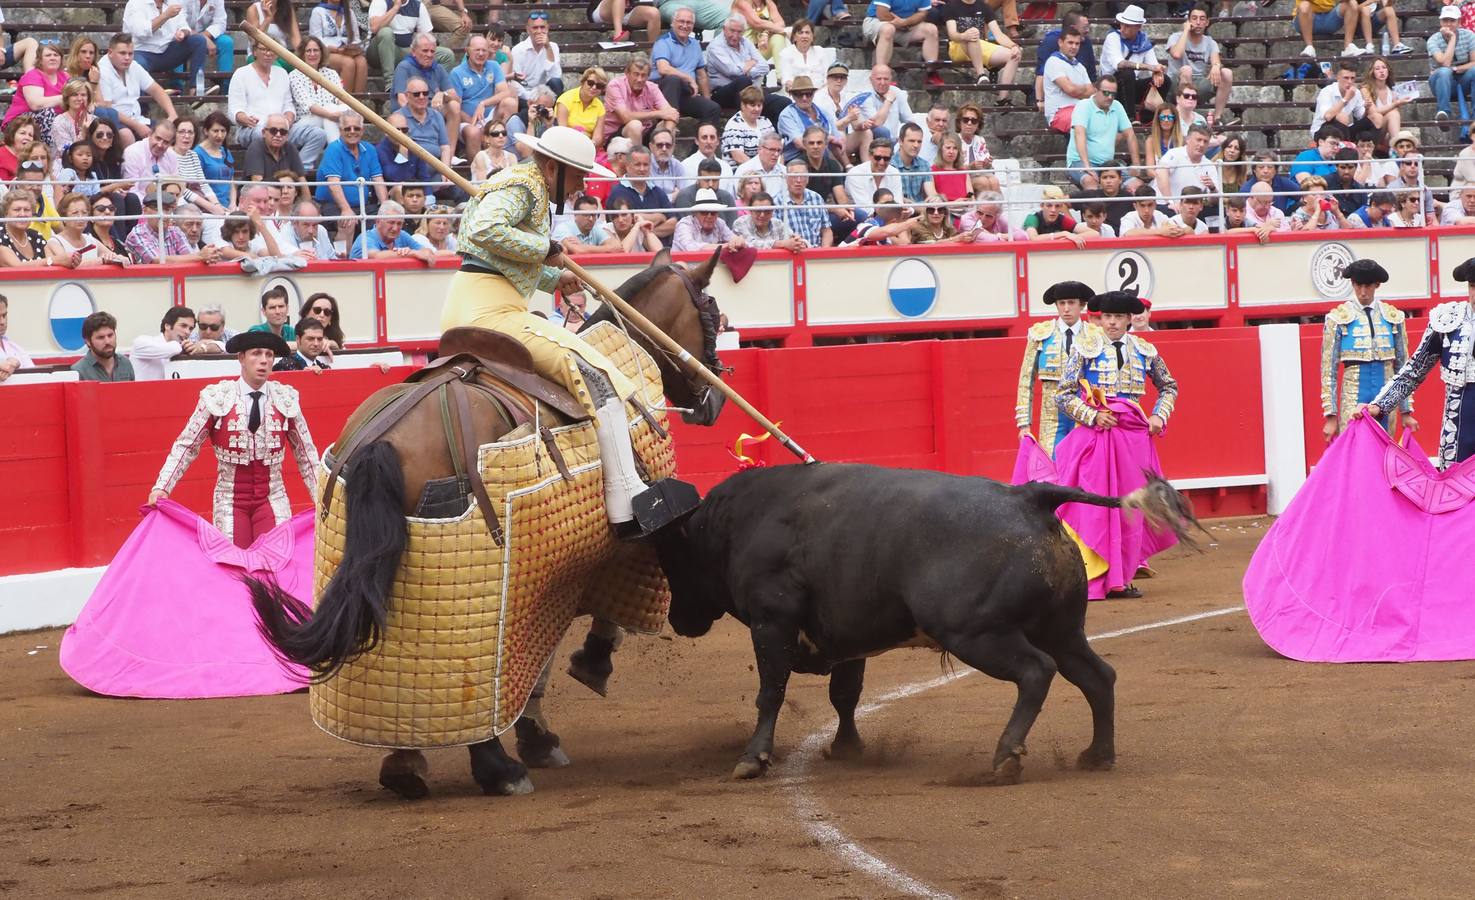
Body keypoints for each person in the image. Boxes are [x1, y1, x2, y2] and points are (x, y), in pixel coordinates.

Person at [442, 124, 694, 538]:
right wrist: (547, 250)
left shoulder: (526, 186)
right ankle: (627, 503)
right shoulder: (525, 185)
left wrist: (551, 279)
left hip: (482, 299)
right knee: (596, 373)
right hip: (491, 311)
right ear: (552, 167)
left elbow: (494, 258)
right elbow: (483, 231)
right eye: (577, 175)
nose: (581, 185)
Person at [1055, 289, 1178, 598]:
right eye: (1106, 317)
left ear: (1128, 320)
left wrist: (1159, 416)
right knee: (1097, 504)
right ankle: (1094, 576)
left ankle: (1122, 577)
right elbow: (1063, 393)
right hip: (1098, 436)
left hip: (1134, 439)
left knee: (1131, 506)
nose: (1110, 323)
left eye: (1117, 318)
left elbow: (1169, 387)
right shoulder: (1085, 349)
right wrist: (1092, 416)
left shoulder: (1145, 350)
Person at [147, 329, 318, 548]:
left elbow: (306, 454)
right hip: (230, 500)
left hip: (272, 497)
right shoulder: (218, 397)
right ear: (241, 358)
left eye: (269, 354)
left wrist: (322, 500)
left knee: (276, 560)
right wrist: (162, 487)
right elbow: (186, 446)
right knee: (235, 565)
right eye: (256, 353)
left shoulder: (285, 398)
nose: (264, 361)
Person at [1367, 258, 1475, 467]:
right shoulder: (1449, 319)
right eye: (1472, 286)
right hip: (1460, 424)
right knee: (1455, 489)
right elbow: (1414, 370)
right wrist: (1380, 405)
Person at [1320, 258, 1412, 443]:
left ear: (1377, 285)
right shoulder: (1337, 318)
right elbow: (1328, 370)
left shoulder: (1393, 317)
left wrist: (1406, 410)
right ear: (1352, 284)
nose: (1362, 292)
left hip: (1386, 392)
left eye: (1368, 286)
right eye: (1358, 285)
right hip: (1353, 393)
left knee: (1384, 448)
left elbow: (1404, 367)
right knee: (1354, 448)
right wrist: (1330, 416)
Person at [1016, 279, 1102, 456]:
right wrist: (1024, 423)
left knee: (1083, 465)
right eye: (1061, 303)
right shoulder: (1041, 334)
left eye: (1071, 303)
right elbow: (1026, 381)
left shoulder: (1096, 335)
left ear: (1082, 305)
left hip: (1085, 412)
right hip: (1052, 417)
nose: (1066, 309)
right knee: (1053, 468)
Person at [229, 42, 329, 170]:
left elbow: (288, 105)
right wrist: (245, 118)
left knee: (318, 134)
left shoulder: (282, 73)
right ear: (254, 52)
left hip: (281, 128)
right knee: (263, 134)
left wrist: (288, 119)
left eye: (272, 50)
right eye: (263, 49)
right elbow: (234, 109)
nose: (268, 53)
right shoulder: (241, 74)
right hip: (252, 128)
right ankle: (271, 169)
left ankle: (299, 169)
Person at [98, 33, 178, 145]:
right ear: (110, 52)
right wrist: (137, 126)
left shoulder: (134, 66)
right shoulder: (102, 70)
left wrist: (172, 114)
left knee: (174, 131)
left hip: (138, 119)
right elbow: (108, 109)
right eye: (122, 53)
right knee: (128, 136)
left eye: (130, 54)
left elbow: (156, 90)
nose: (127, 58)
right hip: (116, 122)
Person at [1067, 74, 1141, 190]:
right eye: (1106, 93)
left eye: (1113, 94)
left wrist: (1136, 164)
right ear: (1096, 91)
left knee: (1137, 186)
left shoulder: (1117, 106)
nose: (1110, 97)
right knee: (1090, 182)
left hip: (1107, 164)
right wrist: (1087, 166)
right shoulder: (1083, 105)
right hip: (1079, 162)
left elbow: (1130, 135)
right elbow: (1079, 134)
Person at [123, 0, 209, 94]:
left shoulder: (173, 3)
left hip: (167, 52)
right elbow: (140, 32)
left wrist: (182, 33)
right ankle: (142, 105)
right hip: (142, 53)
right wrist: (165, 15)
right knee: (137, 64)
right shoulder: (135, 3)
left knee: (199, 41)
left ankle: (196, 90)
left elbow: (184, 26)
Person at [1166, 6, 1233, 126]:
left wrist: (1216, 66)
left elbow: (1216, 61)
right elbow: (1176, 54)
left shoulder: (1210, 42)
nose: (1198, 22)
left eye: (1202, 19)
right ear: (1188, 21)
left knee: (1227, 73)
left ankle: (1217, 118)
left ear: (1207, 22)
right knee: (1187, 70)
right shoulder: (1176, 37)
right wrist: (1186, 31)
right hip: (1175, 84)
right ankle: (1182, 116)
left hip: (1198, 84)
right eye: (1194, 18)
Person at [653, 8, 721, 123]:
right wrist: (688, 78)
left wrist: (707, 99)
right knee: (673, 79)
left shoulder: (695, 44)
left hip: (685, 94)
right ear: (673, 23)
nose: (685, 25)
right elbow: (663, 69)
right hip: (663, 93)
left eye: (689, 22)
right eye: (681, 21)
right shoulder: (663, 41)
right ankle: (668, 129)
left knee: (712, 108)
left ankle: (703, 139)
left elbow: (701, 76)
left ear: (693, 25)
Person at [600, 54, 678, 148]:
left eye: (643, 75)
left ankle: (663, 159)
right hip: (616, 139)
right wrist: (659, 113)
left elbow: (672, 114)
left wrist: (666, 135)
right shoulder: (615, 86)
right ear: (627, 73)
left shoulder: (651, 87)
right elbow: (626, 117)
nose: (639, 79)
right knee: (635, 125)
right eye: (636, 74)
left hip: (644, 134)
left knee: (668, 125)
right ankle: (638, 159)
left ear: (648, 77)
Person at [1100, 5, 1162, 120]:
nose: (1123, 28)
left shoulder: (1143, 41)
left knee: (1164, 81)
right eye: (1122, 24)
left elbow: (1154, 65)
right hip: (1112, 86)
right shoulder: (1113, 37)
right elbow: (1119, 64)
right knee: (1127, 73)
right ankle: (1130, 117)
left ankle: (1147, 117)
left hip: (1132, 86)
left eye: (1128, 25)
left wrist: (1158, 73)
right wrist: (1146, 67)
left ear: (1138, 27)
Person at [941, 0, 1020, 89]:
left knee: (1015, 54)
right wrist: (964, 36)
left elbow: (998, 34)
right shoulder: (951, 6)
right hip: (957, 46)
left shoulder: (984, 6)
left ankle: (1002, 99)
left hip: (978, 46)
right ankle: (981, 75)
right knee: (973, 34)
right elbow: (952, 35)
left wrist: (1013, 46)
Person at [368, 0, 455, 75]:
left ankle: (431, 86)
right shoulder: (380, 1)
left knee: (446, 54)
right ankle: (390, 82)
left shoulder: (418, 5)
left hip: (404, 50)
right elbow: (375, 27)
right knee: (386, 32)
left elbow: (428, 38)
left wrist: (422, 50)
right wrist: (396, 7)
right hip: (378, 52)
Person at [864, 0, 941, 84]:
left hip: (906, 23)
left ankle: (931, 73)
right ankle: (881, 75)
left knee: (931, 29)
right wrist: (900, 24)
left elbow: (922, 13)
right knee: (888, 29)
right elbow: (882, 14)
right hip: (877, 21)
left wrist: (905, 23)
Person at [608, 145, 675, 240]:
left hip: (660, 251)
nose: (642, 169)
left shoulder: (657, 191)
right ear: (627, 166)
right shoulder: (617, 192)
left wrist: (646, 232)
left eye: (646, 164)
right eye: (637, 164)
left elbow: (673, 223)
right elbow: (626, 221)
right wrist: (660, 216)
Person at [4, 42, 67, 138]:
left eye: (56, 55)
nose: (52, 58)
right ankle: (48, 150)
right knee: (47, 112)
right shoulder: (32, 75)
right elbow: (36, 104)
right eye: (48, 55)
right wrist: (64, 98)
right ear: (40, 60)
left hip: (52, 122)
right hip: (18, 122)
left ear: (61, 59)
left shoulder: (65, 77)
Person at [1428, 5, 1475, 132]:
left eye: (1452, 20)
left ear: (1459, 22)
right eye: (1445, 20)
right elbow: (1445, 64)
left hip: (1463, 80)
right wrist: (1452, 39)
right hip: (1440, 83)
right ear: (1440, 22)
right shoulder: (1433, 40)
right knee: (1444, 72)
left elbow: (1474, 62)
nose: (1448, 24)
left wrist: (1456, 69)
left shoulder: (1469, 35)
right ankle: (1443, 113)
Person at [1155, 124, 1220, 211]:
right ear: (1187, 140)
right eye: (1198, 140)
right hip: (1165, 205)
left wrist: (1212, 188)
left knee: (1217, 212)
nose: (1201, 144)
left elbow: (1213, 202)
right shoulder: (1174, 154)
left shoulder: (1209, 165)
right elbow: (1160, 174)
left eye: (1205, 141)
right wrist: (1171, 202)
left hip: (1191, 210)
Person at [1042, 27, 1094, 134]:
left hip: (1080, 110)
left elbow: (1091, 93)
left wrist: (1076, 89)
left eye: (1077, 44)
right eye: (1070, 43)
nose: (1074, 47)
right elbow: (1070, 90)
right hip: (1059, 113)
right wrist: (1082, 89)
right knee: (1083, 122)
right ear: (1060, 42)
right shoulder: (1053, 62)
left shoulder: (1080, 66)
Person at [350, 200, 437, 260]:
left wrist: (417, 252)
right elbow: (377, 257)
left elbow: (426, 252)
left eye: (399, 224)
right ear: (378, 221)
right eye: (391, 222)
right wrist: (411, 253)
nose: (395, 228)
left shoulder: (402, 235)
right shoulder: (365, 239)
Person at [129, 305, 198, 380]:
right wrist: (186, 347)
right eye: (183, 326)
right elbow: (172, 349)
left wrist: (200, 348)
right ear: (167, 326)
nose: (187, 332)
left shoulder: (183, 347)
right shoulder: (141, 342)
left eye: (190, 328)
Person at [671, 187, 745, 252]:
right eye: (704, 212)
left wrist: (738, 241)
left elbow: (733, 239)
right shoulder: (684, 224)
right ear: (695, 213)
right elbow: (690, 247)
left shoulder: (719, 222)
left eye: (713, 212)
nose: (709, 216)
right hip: (682, 266)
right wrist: (724, 246)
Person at [844, 136, 903, 218]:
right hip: (859, 220)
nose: (881, 162)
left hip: (889, 218)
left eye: (886, 158)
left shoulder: (894, 173)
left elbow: (898, 203)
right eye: (877, 158)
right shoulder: (855, 174)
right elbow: (865, 209)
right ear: (870, 156)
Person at [69, 311, 136, 382]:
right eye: (101, 337)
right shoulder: (79, 371)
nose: (107, 341)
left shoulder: (125, 363)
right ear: (88, 341)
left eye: (110, 335)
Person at [778, 161, 832, 247]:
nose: (798, 180)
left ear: (807, 179)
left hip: (816, 253)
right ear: (787, 178)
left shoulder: (817, 198)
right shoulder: (777, 202)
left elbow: (826, 231)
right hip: (791, 254)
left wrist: (824, 251)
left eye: (803, 176)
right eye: (794, 176)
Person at [1024, 184, 1095, 247]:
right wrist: (1064, 234)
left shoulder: (1062, 219)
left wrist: (1071, 237)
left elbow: (1094, 233)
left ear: (1061, 207)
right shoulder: (1032, 218)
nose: (1053, 210)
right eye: (1049, 205)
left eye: (1057, 206)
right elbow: (1033, 238)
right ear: (1042, 206)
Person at [671, 157, 737, 225]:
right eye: (706, 180)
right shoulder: (685, 196)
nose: (711, 184)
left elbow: (732, 227)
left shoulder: (727, 197)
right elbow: (688, 227)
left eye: (715, 180)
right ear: (698, 178)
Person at [721, 85, 775, 167]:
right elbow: (738, 156)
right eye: (753, 105)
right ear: (743, 105)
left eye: (759, 105)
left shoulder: (765, 121)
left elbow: (776, 148)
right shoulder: (734, 124)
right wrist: (761, 170)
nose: (757, 109)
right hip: (741, 172)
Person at [1311, 59, 1366, 138]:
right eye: (1346, 78)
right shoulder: (1327, 91)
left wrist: (1368, 109)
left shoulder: (1356, 92)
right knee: (1342, 117)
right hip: (1321, 130)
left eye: (1352, 78)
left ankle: (1370, 148)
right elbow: (1328, 116)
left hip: (1344, 128)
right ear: (1338, 78)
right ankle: (1345, 146)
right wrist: (1346, 99)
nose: (1350, 82)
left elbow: (1361, 116)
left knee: (1375, 118)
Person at [733, 191, 804, 250]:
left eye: (767, 211)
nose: (762, 215)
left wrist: (798, 243)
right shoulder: (740, 223)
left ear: (772, 211)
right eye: (758, 211)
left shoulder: (778, 223)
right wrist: (782, 244)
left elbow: (795, 239)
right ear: (750, 210)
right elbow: (750, 245)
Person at [0, 188, 50, 269]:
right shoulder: (1, 237)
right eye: (17, 210)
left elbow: (53, 265)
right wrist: (52, 260)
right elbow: (17, 267)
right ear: (6, 213)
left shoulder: (36, 235)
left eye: (27, 210)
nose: (22, 214)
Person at [554, 194, 618, 254]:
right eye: (586, 214)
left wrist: (583, 246)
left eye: (593, 215)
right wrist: (607, 248)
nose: (591, 219)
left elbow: (617, 247)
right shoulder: (563, 228)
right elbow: (578, 251)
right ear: (575, 214)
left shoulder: (595, 229)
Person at [0, 295, 33, 383]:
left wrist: (16, 362)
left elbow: (34, 377)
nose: (2, 322)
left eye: (4, 315)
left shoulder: (15, 348)